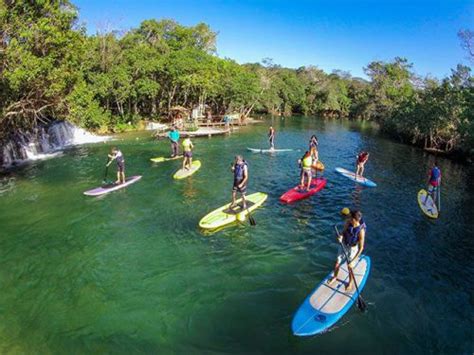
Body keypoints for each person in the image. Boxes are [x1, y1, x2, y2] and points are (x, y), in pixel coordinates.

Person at [327, 210, 366, 291]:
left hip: (353, 248)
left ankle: (350, 282)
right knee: (337, 262)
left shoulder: (361, 231)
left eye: (351, 218)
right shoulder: (348, 222)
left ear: (355, 219)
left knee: (350, 268)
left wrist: (353, 261)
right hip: (344, 244)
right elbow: (343, 232)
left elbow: (361, 248)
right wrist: (340, 237)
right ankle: (335, 277)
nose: (349, 219)